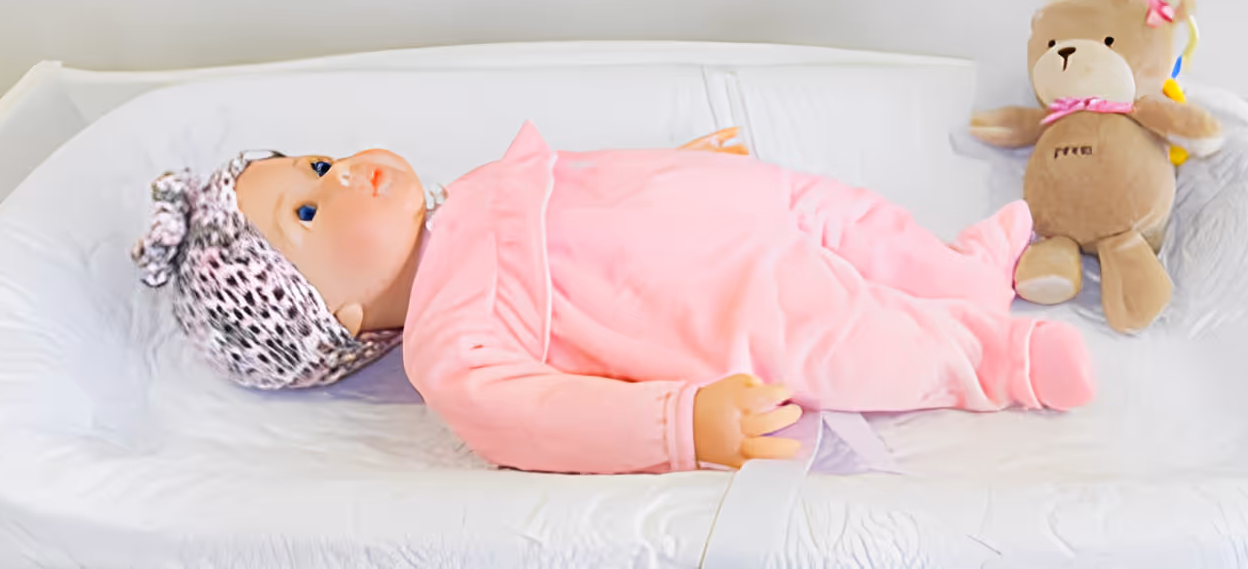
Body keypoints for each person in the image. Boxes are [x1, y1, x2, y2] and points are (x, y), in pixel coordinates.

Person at [132, 124, 1095, 475]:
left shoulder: (470, 185)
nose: (342, 174)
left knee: (864, 221)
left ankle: (961, 270)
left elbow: (595, 176)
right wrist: (683, 422)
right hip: (738, 301)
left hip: (748, 201)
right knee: (851, 342)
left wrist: (682, 161)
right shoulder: (447, 342)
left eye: (319, 162)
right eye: (308, 206)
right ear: (332, 317)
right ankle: (994, 362)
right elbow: (544, 420)